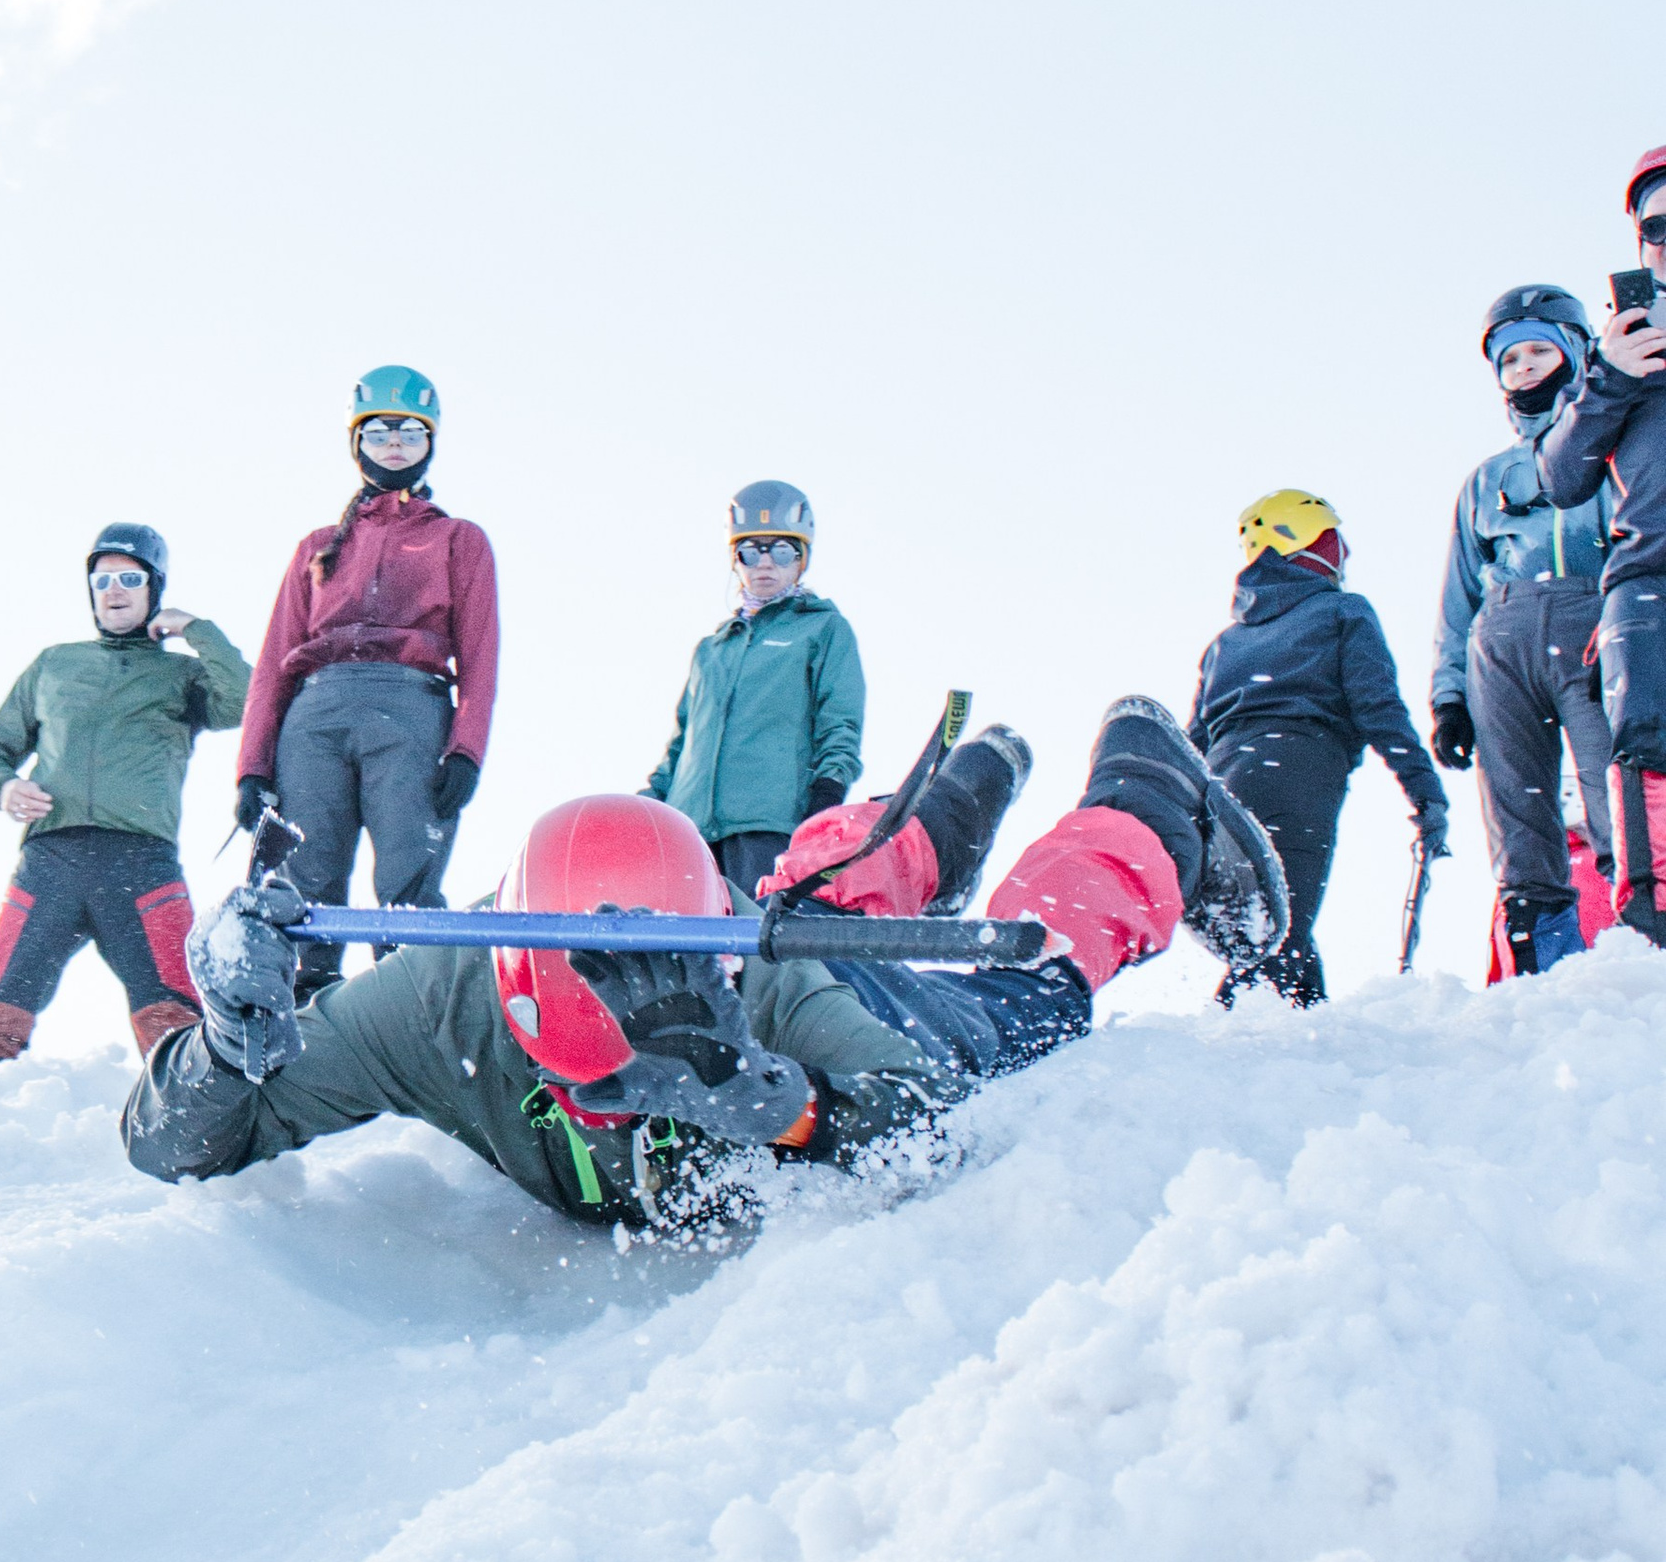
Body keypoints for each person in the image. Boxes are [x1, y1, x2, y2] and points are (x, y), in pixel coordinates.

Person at [123, 700, 1288, 1232]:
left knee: (1036, 988)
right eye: (582, 1089)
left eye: (623, 1084)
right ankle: (956, 798)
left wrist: (782, 1106)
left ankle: (1142, 787)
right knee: (817, 894)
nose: (604, 1113)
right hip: (779, 924)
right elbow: (173, 1145)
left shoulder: (763, 979)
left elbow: (926, 1116)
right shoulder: (431, 998)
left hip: (843, 986)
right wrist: (224, 1048)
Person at [0, 521, 250, 1068]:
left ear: (154, 588)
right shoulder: (54, 664)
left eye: (131, 579)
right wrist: (5, 787)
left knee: (177, 1018)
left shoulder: (180, 674)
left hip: (141, 862)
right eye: (102, 579)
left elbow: (245, 700)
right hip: (51, 861)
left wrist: (196, 629)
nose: (114, 590)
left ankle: (192, 1113)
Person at [233, 368, 498, 946]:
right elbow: (275, 663)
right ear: (356, 443)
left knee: (409, 886)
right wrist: (252, 768)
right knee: (304, 884)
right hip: (315, 717)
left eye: (410, 431)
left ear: (431, 441)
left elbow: (481, 656)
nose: (394, 442)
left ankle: (405, 992)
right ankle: (308, 995)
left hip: (409, 712)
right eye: (378, 432)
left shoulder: (458, 540)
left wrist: (466, 751)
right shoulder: (318, 547)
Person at [1186, 491, 1448, 1006]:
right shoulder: (1341, 611)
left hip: (1222, 787)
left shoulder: (1225, 643)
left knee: (1272, 929)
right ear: (1311, 542)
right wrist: (1425, 790)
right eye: (1335, 540)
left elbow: (1193, 742)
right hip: (1297, 772)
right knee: (1277, 940)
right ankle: (1233, 1041)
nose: (1345, 553)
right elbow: (1379, 708)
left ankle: (1311, 1033)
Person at [1430, 285, 1616, 976]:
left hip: (1593, 629)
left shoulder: (1617, 452)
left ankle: (1638, 954)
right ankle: (1539, 970)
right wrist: (1449, 697)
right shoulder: (1487, 480)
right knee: (1519, 818)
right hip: (1502, 643)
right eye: (1510, 359)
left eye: (1540, 350)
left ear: (1576, 353)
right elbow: (1459, 600)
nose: (1525, 366)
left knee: (1618, 798)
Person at [1536, 141, 1666, 942]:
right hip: (1648, 575)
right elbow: (1560, 478)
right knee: (1647, 742)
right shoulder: (1620, 345)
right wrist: (1612, 375)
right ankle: (1656, 920)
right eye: (1658, 226)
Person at [646, 481, 866, 899]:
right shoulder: (712, 650)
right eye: (750, 551)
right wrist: (647, 806)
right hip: (688, 834)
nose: (765, 563)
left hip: (768, 827)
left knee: (753, 935)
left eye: (781, 551)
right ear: (735, 560)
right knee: (680, 936)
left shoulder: (822, 630)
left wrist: (827, 794)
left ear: (801, 560)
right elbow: (679, 747)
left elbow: (840, 723)